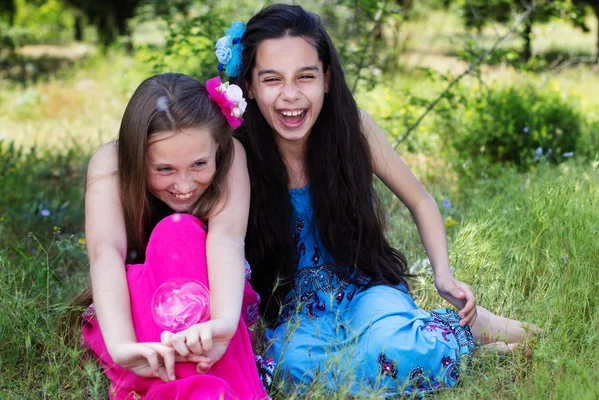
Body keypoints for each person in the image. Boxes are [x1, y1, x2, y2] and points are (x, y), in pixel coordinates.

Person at [213, 4, 539, 397]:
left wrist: (443, 275)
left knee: (391, 346)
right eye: (271, 79)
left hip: (367, 288)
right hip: (295, 313)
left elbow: (420, 200)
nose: (291, 95)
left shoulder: (352, 129)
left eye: (306, 76)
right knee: (294, 371)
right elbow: (225, 239)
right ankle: (459, 341)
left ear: (327, 79)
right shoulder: (239, 154)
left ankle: (462, 332)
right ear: (248, 85)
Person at [80, 72, 269, 399]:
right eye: (164, 169)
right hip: (132, 311)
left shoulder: (230, 155)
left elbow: (226, 236)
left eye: (199, 164)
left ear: (217, 147)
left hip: (213, 303)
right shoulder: (110, 163)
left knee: (177, 231)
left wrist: (223, 324)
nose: (184, 187)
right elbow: (105, 251)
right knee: (170, 235)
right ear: (135, 156)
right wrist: (122, 344)